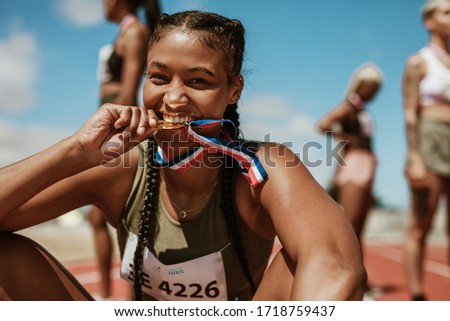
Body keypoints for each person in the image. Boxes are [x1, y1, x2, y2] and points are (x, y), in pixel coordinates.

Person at [0, 10, 366, 301]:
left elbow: (335, 266)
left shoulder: (260, 169)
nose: (173, 99)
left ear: (233, 88)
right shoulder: (123, 168)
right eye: (158, 77)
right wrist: (75, 151)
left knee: (302, 258)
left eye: (198, 81)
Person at [90, 0, 160, 300]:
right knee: (103, 218)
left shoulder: (135, 33)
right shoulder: (123, 34)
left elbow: (130, 93)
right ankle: (113, 298)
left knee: (117, 218)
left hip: (120, 131)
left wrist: (113, 138)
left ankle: (122, 299)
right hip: (110, 129)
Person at [402, 0, 450, 301]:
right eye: (447, 12)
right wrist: (414, 155)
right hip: (429, 139)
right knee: (422, 223)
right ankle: (418, 296)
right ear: (428, 21)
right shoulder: (419, 62)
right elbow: (410, 112)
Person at [316, 63, 383, 244]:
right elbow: (323, 124)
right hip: (354, 163)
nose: (373, 92)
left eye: (376, 89)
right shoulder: (349, 106)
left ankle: (359, 270)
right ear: (359, 84)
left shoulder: (362, 110)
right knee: (351, 224)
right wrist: (346, 138)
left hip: (368, 162)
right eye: (370, 86)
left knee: (360, 226)